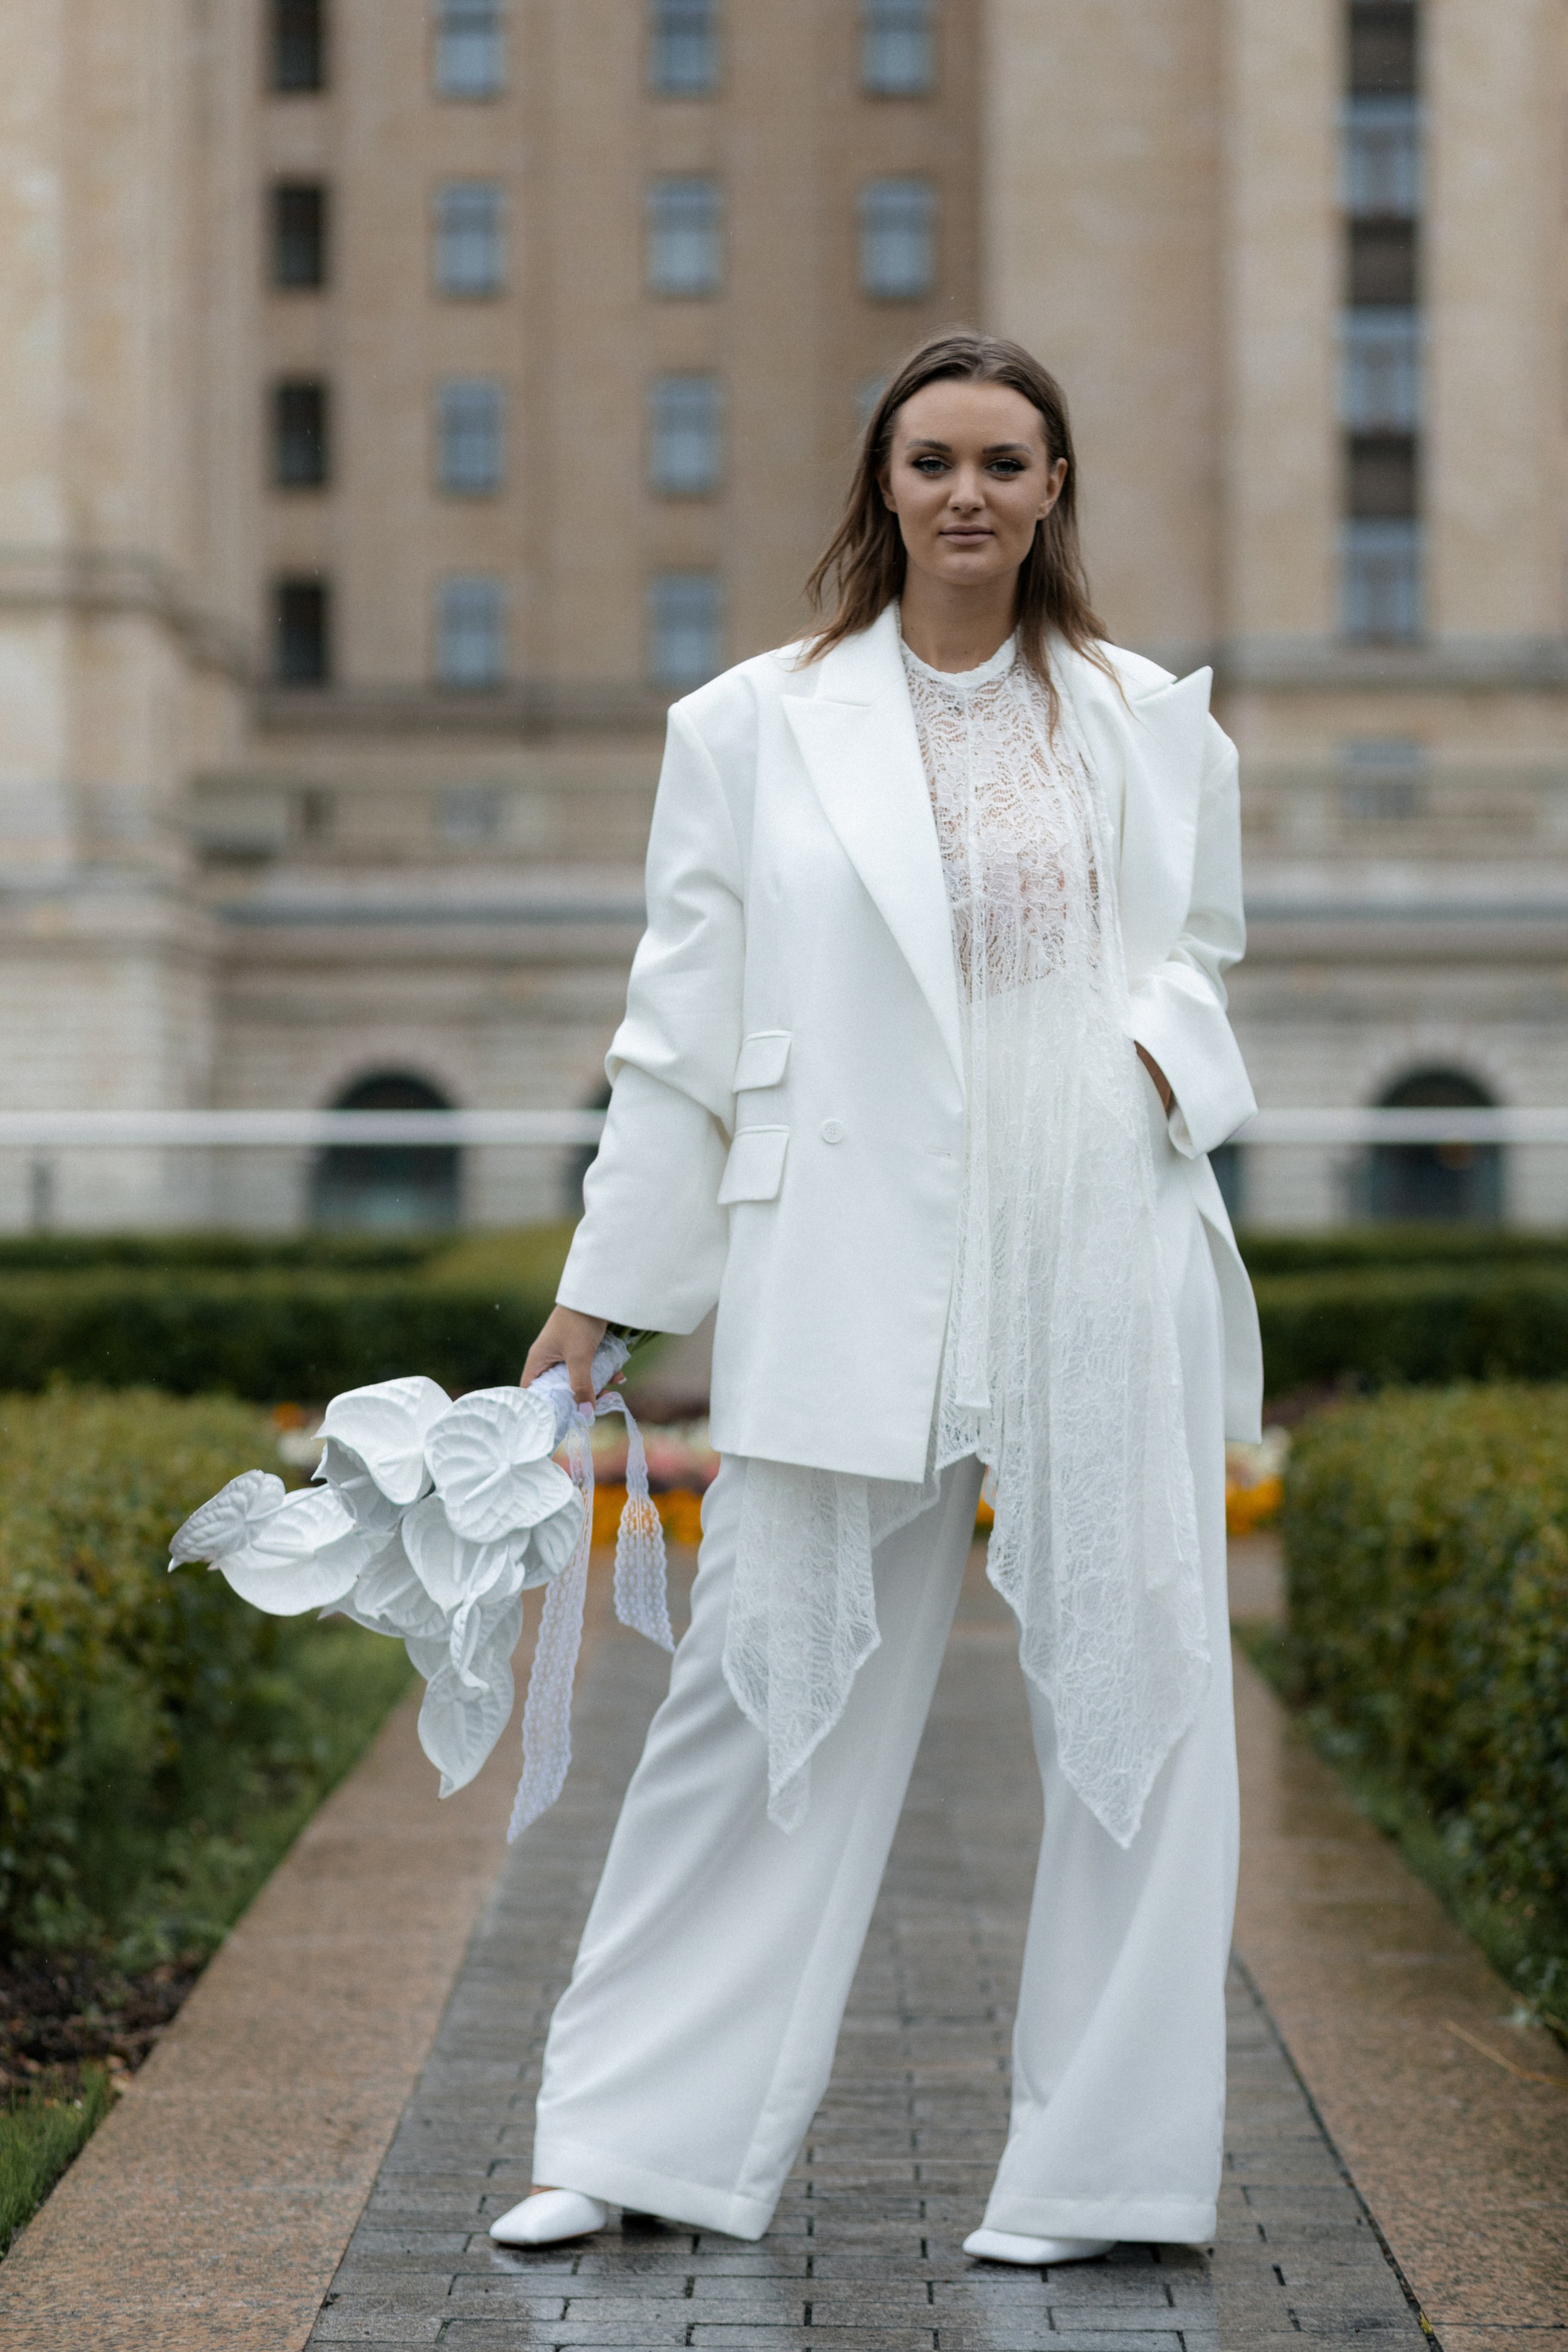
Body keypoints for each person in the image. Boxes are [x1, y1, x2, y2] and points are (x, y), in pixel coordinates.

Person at [495, 330, 1263, 2266]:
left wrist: (1156, 1074)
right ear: (883, 484)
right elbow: (679, 1044)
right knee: (763, 1696)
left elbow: (1201, 958)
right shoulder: (750, 726)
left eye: (1008, 460)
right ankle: (636, 2140)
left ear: (1055, 487)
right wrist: (607, 1297)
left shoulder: (1148, 720)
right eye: (934, 460)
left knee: (1146, 1703)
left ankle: (1106, 2175)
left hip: (1099, 1252)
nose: (970, 494)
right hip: (852, 1263)